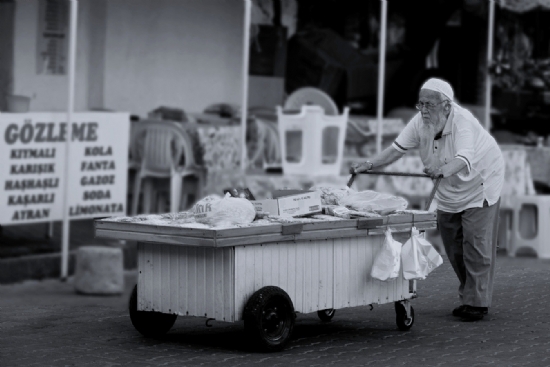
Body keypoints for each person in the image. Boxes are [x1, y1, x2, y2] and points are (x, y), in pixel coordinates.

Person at [351, 78, 504, 322]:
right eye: (420, 104)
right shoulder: (420, 123)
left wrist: (442, 171)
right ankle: (471, 294)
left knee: (475, 244)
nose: (423, 110)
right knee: (453, 245)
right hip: (448, 185)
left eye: (429, 105)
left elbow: (464, 159)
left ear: (446, 105)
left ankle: (477, 302)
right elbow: (395, 150)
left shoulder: (462, 122)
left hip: (480, 182)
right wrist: (368, 165)